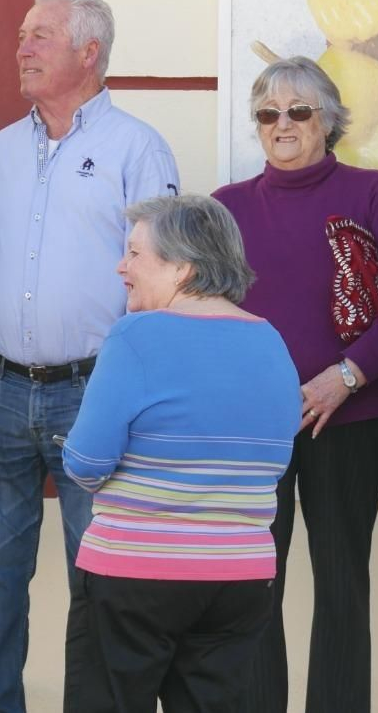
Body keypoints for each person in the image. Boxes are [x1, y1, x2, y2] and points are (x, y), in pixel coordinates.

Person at [0, 0, 179, 713]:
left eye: (39, 36)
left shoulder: (137, 148)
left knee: (96, 571)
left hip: (95, 390)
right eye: (22, 34)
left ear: (88, 53)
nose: (21, 47)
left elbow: (162, 276)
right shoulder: (1, 147)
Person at [214, 57, 378, 713]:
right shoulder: (226, 207)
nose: (281, 124)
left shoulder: (372, 191)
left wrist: (347, 374)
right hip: (257, 430)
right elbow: (201, 309)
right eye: (267, 113)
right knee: (254, 590)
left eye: (299, 111)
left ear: (329, 120)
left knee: (342, 589)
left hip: (349, 418)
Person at [60, 194, 301, 712]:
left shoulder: (137, 336)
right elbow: (273, 463)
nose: (122, 266)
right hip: (238, 579)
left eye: (136, 254)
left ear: (182, 268)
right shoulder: (272, 341)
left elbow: (84, 463)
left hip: (135, 575)